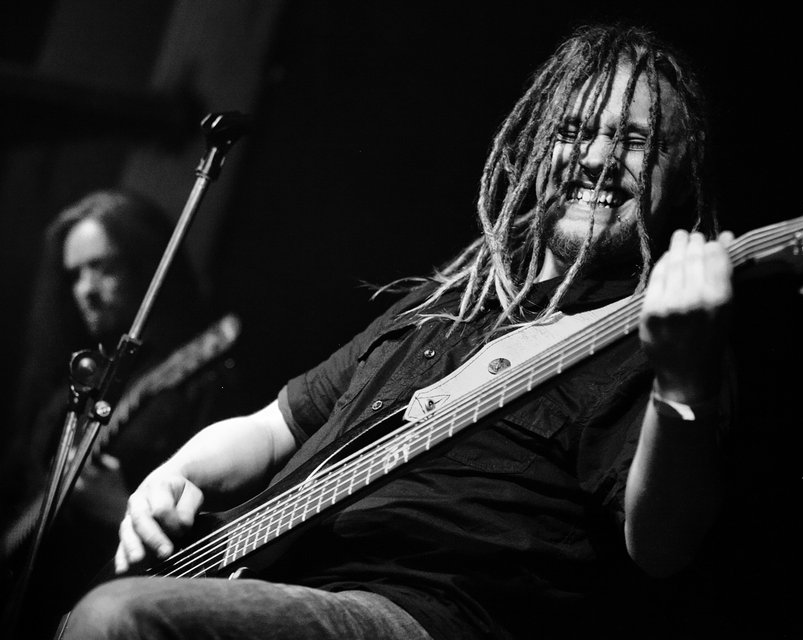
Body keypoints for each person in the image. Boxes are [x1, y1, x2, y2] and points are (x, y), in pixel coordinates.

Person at [61, 23, 735, 640]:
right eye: (573, 132)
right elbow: (273, 426)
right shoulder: (445, 304)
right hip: (280, 579)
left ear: (682, 174)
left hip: (417, 612)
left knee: (116, 619)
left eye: (635, 141)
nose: (596, 158)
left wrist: (682, 382)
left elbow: (663, 546)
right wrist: (171, 475)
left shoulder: (657, 341)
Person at [0, 190, 243, 639]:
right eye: (75, 274)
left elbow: (218, 548)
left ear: (145, 264)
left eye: (103, 267)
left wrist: (120, 506)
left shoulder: (195, 378)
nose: (86, 290)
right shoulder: (77, 377)